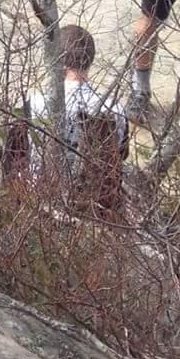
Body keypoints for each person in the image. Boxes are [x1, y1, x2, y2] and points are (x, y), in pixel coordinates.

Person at [58, 23, 125, 217]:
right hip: (97, 206)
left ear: (57, 59)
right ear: (91, 59)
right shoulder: (115, 109)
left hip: (39, 199)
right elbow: (119, 156)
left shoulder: (33, 104)